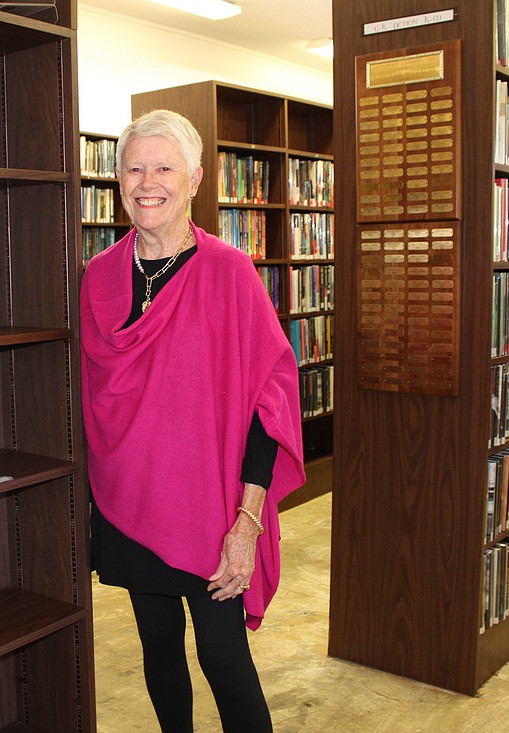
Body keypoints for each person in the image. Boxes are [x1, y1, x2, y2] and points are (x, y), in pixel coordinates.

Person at [80, 108, 305, 732]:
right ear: (118, 179)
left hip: (208, 511)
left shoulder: (229, 273)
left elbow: (268, 402)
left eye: (164, 168)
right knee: (158, 649)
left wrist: (248, 521)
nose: (147, 182)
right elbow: (88, 396)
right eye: (134, 169)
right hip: (126, 504)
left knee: (223, 658)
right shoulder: (97, 277)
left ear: (196, 179)